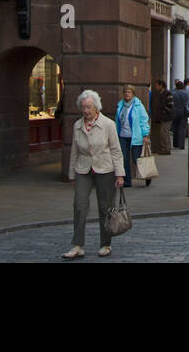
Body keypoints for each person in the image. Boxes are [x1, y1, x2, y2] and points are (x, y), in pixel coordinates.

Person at [64, 89, 124, 260]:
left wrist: (120, 174)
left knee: (105, 207)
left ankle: (105, 243)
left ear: (96, 107)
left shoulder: (108, 125)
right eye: (83, 107)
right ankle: (77, 245)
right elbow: (74, 151)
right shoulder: (77, 125)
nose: (85, 111)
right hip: (83, 169)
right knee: (79, 205)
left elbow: (116, 151)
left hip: (105, 169)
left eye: (89, 107)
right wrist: (71, 174)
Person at [114, 84, 150, 184]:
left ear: (133, 94)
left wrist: (145, 134)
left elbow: (144, 120)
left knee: (136, 159)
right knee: (124, 159)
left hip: (136, 136)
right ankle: (127, 180)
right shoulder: (120, 105)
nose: (127, 94)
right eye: (125, 92)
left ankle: (147, 175)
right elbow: (117, 120)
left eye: (129, 92)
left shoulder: (138, 106)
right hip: (122, 135)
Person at [150, 79, 174, 156]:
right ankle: (166, 148)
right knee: (164, 132)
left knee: (164, 132)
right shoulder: (162, 93)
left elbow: (170, 105)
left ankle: (166, 148)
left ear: (161, 85)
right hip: (164, 116)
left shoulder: (167, 93)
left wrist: (163, 111)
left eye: (157, 85)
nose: (155, 87)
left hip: (167, 117)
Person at [171, 80, 189, 150]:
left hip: (175, 111)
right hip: (183, 111)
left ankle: (175, 143)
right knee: (182, 128)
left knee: (175, 128)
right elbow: (187, 103)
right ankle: (181, 144)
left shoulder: (173, 93)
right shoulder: (185, 94)